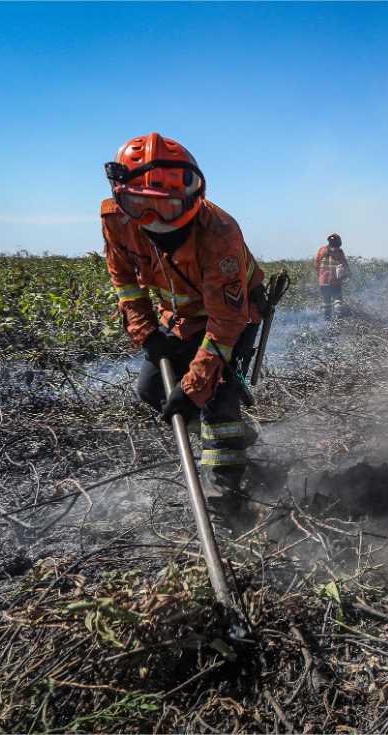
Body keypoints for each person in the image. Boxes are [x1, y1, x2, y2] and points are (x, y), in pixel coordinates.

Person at [102, 132, 265, 495]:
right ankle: (228, 433)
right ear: (122, 195)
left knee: (217, 398)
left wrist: (193, 387)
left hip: (232, 313)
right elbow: (125, 281)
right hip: (177, 316)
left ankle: (228, 497)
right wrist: (146, 334)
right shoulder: (117, 219)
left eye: (167, 207)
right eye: (140, 204)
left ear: (191, 197)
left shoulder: (219, 232)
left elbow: (226, 322)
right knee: (152, 388)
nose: (154, 222)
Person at [314, 233, 350, 319]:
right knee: (338, 300)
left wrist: (321, 275)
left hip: (323, 282)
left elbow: (316, 264)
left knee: (326, 302)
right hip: (335, 282)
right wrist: (348, 273)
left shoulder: (321, 250)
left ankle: (327, 320)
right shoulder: (339, 252)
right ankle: (338, 319)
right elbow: (345, 265)